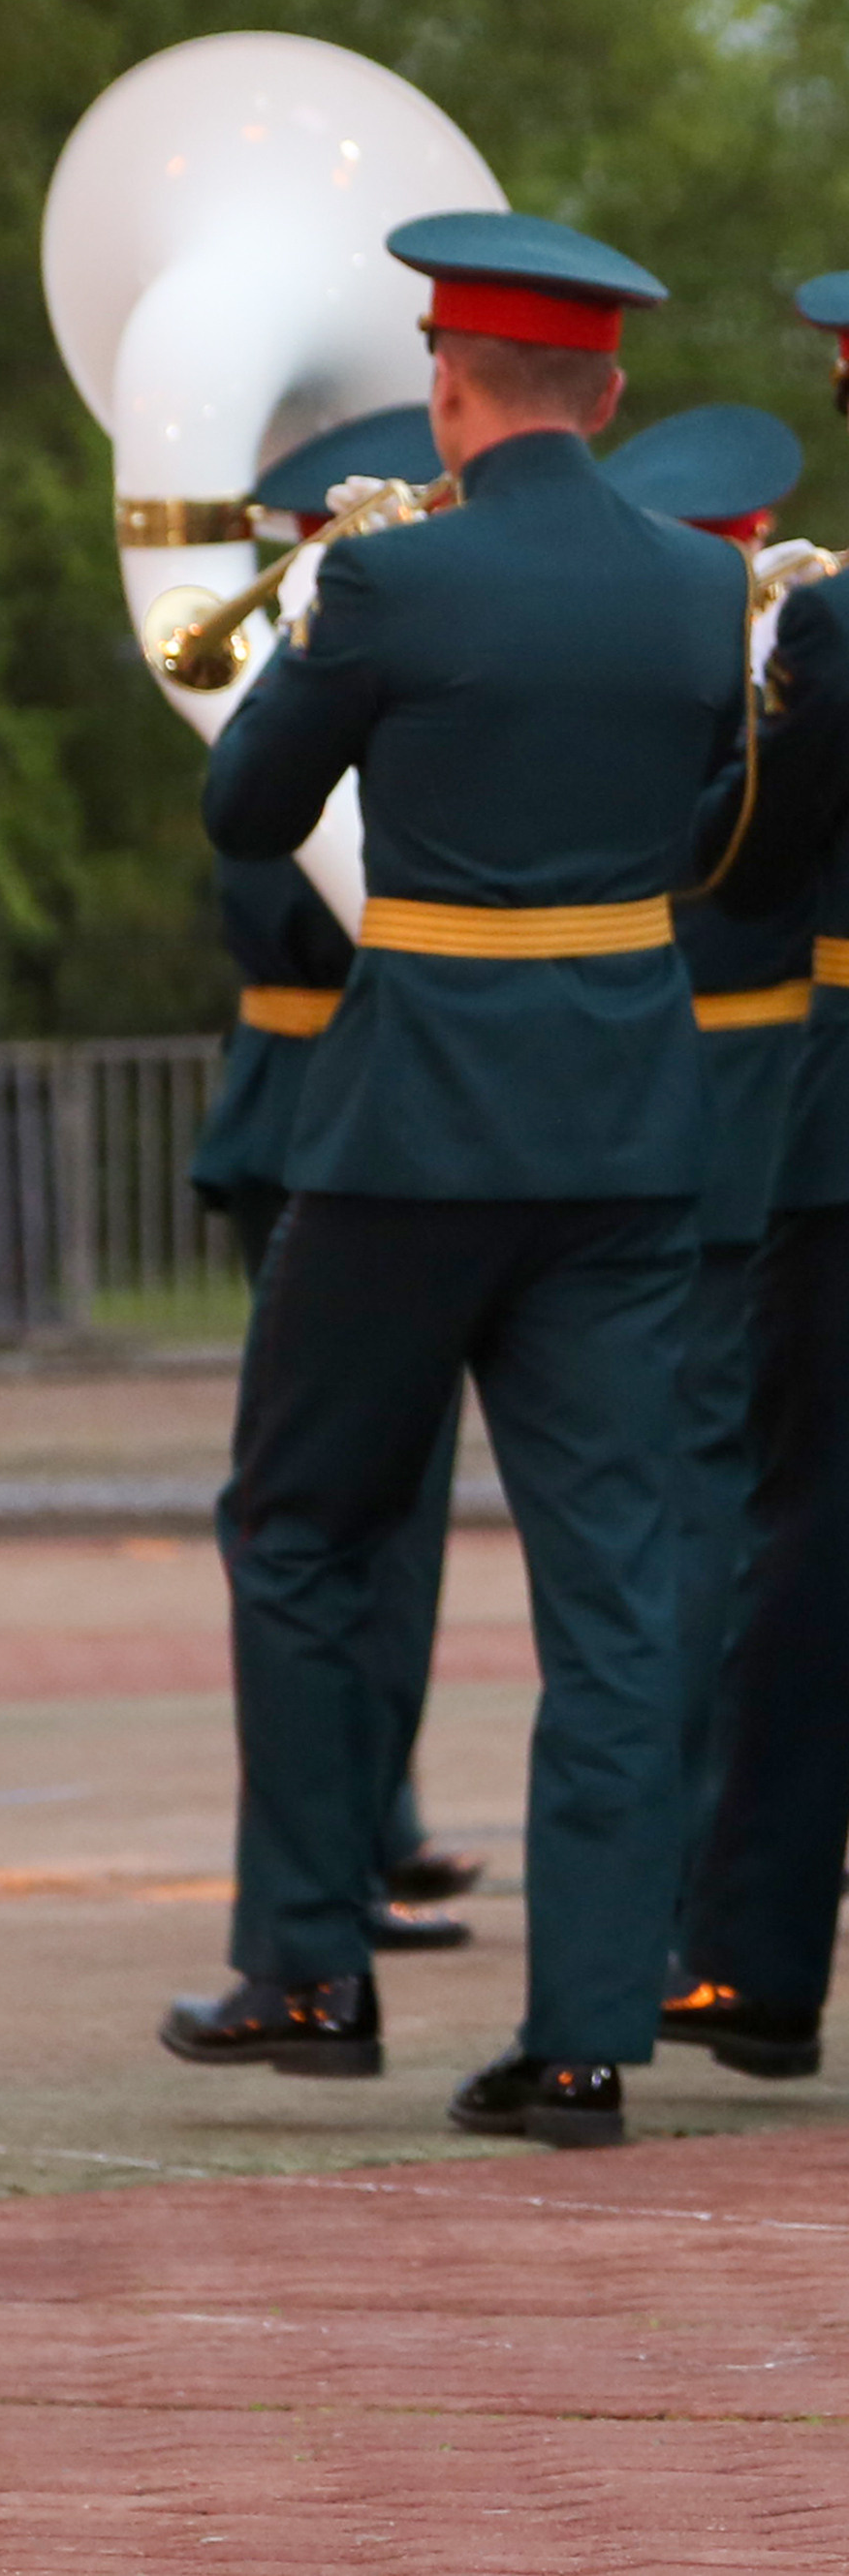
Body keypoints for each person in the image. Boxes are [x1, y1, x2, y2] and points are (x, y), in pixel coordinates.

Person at [157, 209, 745, 2148]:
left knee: (306, 1525)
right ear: (614, 389)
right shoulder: (687, 590)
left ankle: (309, 1965)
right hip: (626, 1128)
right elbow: (702, 821)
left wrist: (331, 610)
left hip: (409, 1133)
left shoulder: (391, 586)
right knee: (616, 1585)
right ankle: (582, 2031)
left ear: (449, 382)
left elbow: (245, 804)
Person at [188, 408, 476, 1957]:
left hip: (379, 1099)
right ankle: (336, 1839)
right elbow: (283, 891)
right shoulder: (277, 682)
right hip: (308, 1102)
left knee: (403, 1512)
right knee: (330, 1508)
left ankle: (381, 1816)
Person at [663, 277, 849, 2078]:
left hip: (843, 1131)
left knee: (814, 1542)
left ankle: (759, 1956)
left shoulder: (839, 627)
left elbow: (743, 864)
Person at [594, 406, 814, 1898]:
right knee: (752, 1531)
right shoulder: (782, 683)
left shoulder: (633, 690)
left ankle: (686, 1868)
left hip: (671, 1125)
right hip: (785, 1123)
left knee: (681, 1528)